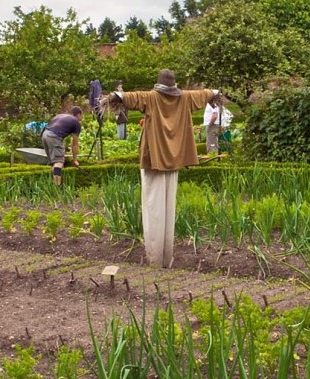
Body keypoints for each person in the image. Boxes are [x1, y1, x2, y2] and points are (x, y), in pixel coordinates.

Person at [108, 69, 219, 266]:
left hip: (155, 160)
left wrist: (115, 97)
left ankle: (155, 259)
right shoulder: (185, 98)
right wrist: (215, 93)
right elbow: (207, 94)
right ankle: (166, 258)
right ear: (174, 85)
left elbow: (126, 97)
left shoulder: (151, 98)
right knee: (168, 210)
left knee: (153, 209)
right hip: (175, 159)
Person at [42, 106, 83, 186]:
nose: (82, 118)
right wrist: (75, 160)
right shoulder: (76, 123)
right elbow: (75, 144)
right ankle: (57, 188)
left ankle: (53, 185)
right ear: (78, 114)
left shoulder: (60, 116)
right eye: (82, 115)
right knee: (59, 162)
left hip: (45, 134)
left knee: (53, 163)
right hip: (54, 136)